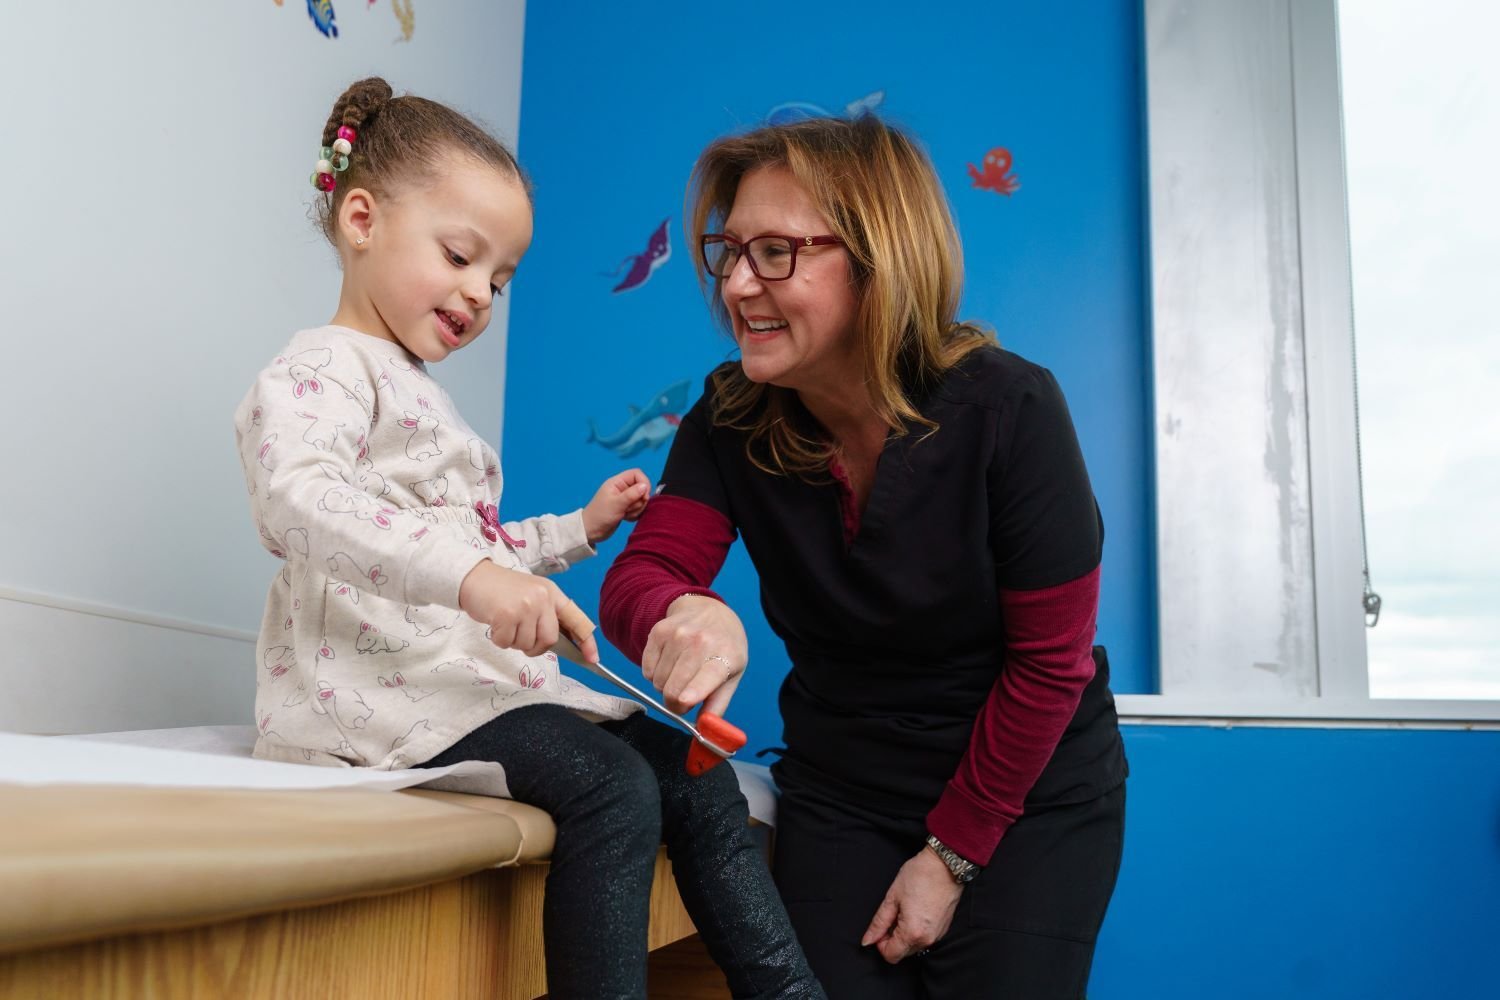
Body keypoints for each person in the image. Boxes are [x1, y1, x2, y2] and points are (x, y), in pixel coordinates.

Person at [234, 77, 825, 1000]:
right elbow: (301, 504)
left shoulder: (417, 388)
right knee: (612, 790)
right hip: (370, 694)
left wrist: (574, 532)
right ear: (360, 218)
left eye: (499, 280)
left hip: (456, 680)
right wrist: (475, 578)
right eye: (462, 256)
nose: (479, 294)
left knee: (693, 764)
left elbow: (460, 539)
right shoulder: (318, 369)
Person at [600, 115, 1128, 999]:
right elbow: (642, 577)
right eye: (726, 251)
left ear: (879, 262)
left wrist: (951, 857)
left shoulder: (1013, 410)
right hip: (842, 793)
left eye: (774, 252)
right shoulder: (729, 417)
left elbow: (1049, 666)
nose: (735, 284)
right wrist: (681, 612)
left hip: (1027, 797)